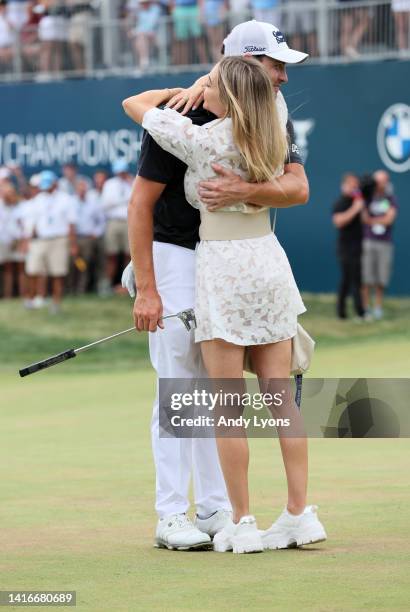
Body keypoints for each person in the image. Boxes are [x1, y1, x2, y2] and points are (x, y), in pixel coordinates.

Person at [123, 20, 326, 553]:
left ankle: (221, 510)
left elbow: (298, 186)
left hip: (221, 260)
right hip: (180, 256)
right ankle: (173, 512)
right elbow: (141, 205)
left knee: (219, 396)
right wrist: (147, 286)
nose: (282, 76)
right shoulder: (195, 113)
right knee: (180, 383)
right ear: (243, 65)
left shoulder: (262, 115)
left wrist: (246, 186)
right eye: (274, 64)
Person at [25, 170, 78, 314]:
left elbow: (71, 224)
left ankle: (56, 303)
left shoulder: (66, 199)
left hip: (59, 240)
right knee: (32, 270)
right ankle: (30, 299)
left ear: (55, 184)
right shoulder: (38, 199)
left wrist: (73, 244)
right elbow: (32, 222)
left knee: (57, 273)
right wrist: (28, 239)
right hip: (40, 240)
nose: (45, 188)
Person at [361, 170, 398, 320]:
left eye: (383, 180)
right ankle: (365, 308)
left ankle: (378, 307)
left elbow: (390, 219)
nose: (380, 183)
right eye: (378, 180)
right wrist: (374, 220)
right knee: (366, 277)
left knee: (381, 278)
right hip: (368, 240)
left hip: (384, 242)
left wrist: (373, 220)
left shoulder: (390, 198)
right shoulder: (367, 197)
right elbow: (363, 217)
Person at [332, 173, 365, 320]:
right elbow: (338, 222)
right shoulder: (340, 203)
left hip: (358, 246)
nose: (354, 187)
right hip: (345, 247)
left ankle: (357, 312)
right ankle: (346, 312)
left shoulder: (358, 201)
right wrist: (355, 209)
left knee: (356, 279)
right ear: (344, 186)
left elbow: (365, 220)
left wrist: (360, 206)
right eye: (351, 185)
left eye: (355, 185)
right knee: (348, 280)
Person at [101, 159, 132, 291]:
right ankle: (108, 285)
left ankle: (128, 285)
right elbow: (106, 204)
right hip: (113, 222)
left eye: (123, 171)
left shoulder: (134, 182)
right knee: (111, 254)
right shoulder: (109, 184)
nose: (121, 174)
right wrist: (123, 200)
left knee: (129, 255)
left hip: (129, 222)